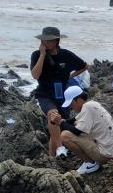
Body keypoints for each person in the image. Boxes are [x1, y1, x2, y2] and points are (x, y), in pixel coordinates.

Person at [30, 26, 88, 158]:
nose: (45, 42)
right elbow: (35, 75)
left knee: (56, 128)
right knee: (52, 114)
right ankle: (61, 148)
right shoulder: (36, 55)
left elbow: (84, 66)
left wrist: (71, 76)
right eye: (44, 40)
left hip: (62, 95)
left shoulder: (66, 55)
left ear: (57, 41)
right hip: (45, 94)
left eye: (49, 40)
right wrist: (42, 55)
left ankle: (52, 159)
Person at [51, 86, 113, 175]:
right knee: (76, 127)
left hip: (104, 154)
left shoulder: (87, 107)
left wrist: (60, 122)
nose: (71, 107)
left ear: (78, 100)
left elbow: (77, 131)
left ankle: (90, 163)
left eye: (71, 104)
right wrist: (59, 121)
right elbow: (74, 120)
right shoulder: (92, 104)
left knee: (65, 136)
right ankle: (92, 161)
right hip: (110, 150)